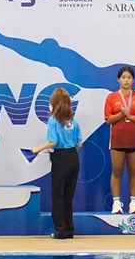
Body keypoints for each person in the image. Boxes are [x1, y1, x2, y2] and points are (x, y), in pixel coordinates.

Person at [31, 88, 82, 239]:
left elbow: (52, 142)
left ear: (53, 103)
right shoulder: (73, 120)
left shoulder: (53, 120)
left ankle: (60, 230)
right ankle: (69, 229)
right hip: (73, 157)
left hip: (60, 159)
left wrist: (37, 149)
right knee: (68, 196)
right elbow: (79, 143)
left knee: (58, 195)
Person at [104, 66, 135, 214]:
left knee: (133, 172)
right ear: (118, 79)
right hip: (117, 140)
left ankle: (133, 203)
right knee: (117, 172)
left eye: (129, 77)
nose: (126, 80)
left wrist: (130, 117)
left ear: (133, 80)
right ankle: (116, 203)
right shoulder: (111, 97)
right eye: (123, 77)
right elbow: (108, 120)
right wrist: (121, 115)